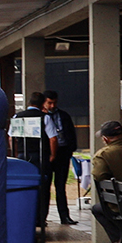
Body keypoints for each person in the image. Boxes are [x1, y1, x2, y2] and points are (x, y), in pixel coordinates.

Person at [12, 92, 51, 228]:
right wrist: (52, 155)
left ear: (29, 103)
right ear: (42, 104)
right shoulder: (45, 117)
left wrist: (17, 153)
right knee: (43, 187)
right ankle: (40, 219)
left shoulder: (18, 116)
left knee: (23, 185)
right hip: (40, 156)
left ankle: (25, 216)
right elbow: (53, 138)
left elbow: (12, 137)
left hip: (23, 155)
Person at [41, 92, 79, 226]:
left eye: (54, 103)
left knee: (61, 185)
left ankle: (64, 216)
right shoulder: (41, 116)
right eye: (49, 103)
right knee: (45, 187)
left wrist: (70, 148)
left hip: (62, 152)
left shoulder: (63, 115)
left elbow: (70, 132)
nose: (52, 106)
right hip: (47, 154)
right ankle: (42, 217)